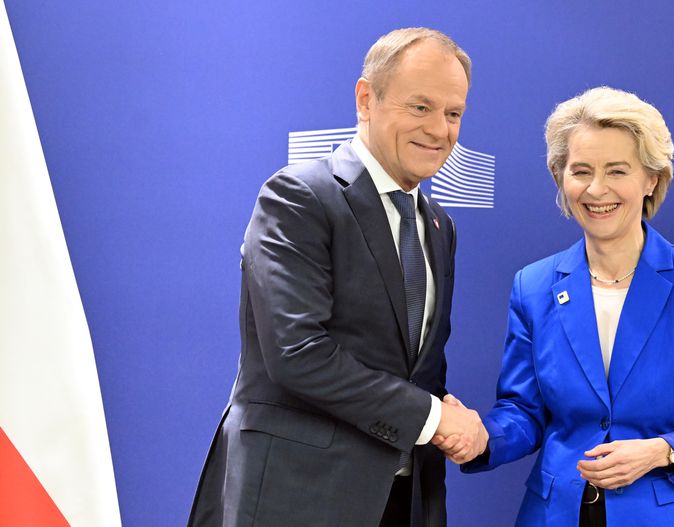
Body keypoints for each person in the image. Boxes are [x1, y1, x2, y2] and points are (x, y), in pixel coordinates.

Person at [188, 28, 488, 527]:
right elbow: (298, 354)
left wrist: (446, 417)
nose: (440, 130)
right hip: (298, 499)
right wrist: (435, 418)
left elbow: (416, 371)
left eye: (453, 113)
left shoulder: (440, 226)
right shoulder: (299, 197)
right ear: (366, 99)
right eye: (420, 107)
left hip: (406, 501)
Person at [441, 87, 674, 526]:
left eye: (617, 171)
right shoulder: (532, 285)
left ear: (651, 179)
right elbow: (524, 412)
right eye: (581, 171)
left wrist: (661, 450)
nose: (596, 189)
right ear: (560, 177)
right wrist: (482, 437)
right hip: (557, 514)